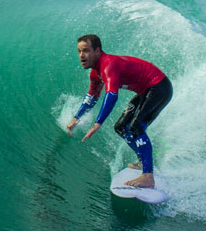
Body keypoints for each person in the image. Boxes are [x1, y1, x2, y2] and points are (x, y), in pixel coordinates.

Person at [65, 34, 173, 188]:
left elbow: (111, 95)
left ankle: (148, 176)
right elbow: (91, 97)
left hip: (159, 87)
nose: (81, 55)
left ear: (97, 51)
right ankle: (144, 161)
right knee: (121, 127)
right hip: (146, 91)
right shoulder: (95, 73)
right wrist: (76, 118)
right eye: (79, 51)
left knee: (136, 126)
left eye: (86, 51)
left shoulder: (108, 65)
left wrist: (98, 124)